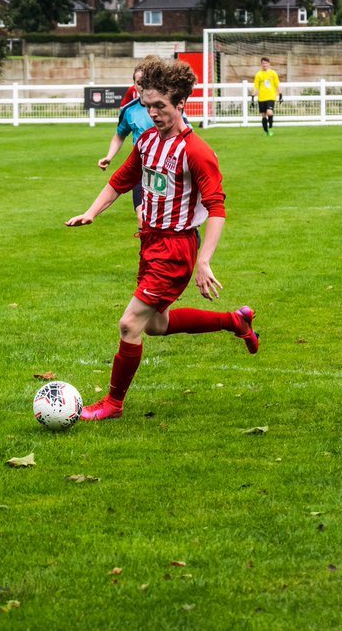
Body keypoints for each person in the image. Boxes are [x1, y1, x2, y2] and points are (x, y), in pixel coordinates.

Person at [65, 56, 259, 421]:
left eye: (160, 106)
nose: (152, 113)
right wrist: (92, 212)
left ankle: (113, 403)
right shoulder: (147, 143)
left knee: (129, 324)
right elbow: (121, 181)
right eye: (147, 105)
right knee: (155, 325)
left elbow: (217, 208)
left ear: (181, 103)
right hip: (150, 242)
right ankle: (235, 322)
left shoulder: (196, 151)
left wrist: (204, 261)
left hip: (176, 248)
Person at [98, 63, 154, 213]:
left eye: (146, 81)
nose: (143, 86)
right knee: (142, 214)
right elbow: (119, 135)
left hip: (166, 167)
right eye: (139, 83)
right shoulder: (129, 110)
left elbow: (187, 133)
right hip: (141, 166)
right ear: (134, 85)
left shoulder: (167, 107)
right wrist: (109, 156)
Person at [253, 57, 279, 136]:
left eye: (266, 63)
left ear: (269, 64)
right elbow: (256, 86)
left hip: (271, 96)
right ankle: (266, 131)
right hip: (261, 98)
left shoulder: (273, 73)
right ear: (261, 64)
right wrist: (253, 96)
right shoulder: (258, 74)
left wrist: (280, 94)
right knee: (264, 115)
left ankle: (270, 126)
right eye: (263, 63)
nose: (265, 65)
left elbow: (277, 85)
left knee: (269, 112)